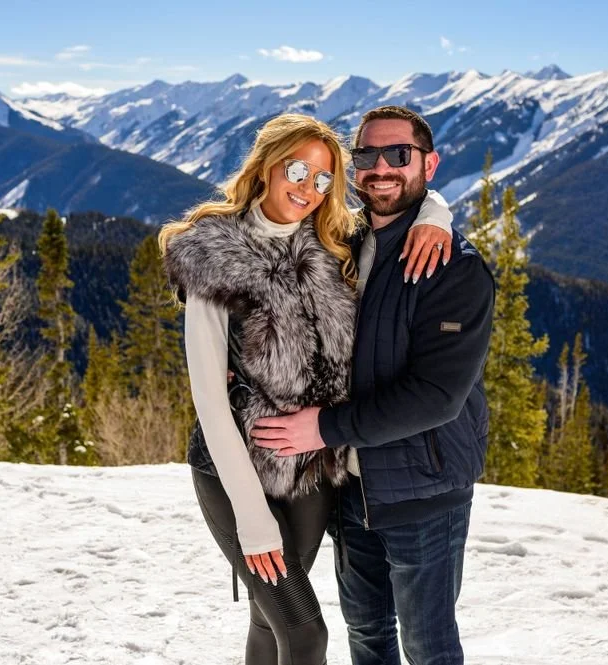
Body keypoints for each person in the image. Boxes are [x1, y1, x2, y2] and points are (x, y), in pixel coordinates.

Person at [159, 113, 453, 665]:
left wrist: (437, 214)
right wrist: (250, 515)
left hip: (314, 470)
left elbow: (406, 206)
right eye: (297, 170)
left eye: (323, 179)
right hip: (235, 470)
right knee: (306, 634)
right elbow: (209, 402)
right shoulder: (213, 253)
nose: (308, 189)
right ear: (268, 166)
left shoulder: (333, 244)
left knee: (268, 623)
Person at [252, 106, 496, 665]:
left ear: (428, 164)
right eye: (366, 155)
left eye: (399, 155)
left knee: (428, 647)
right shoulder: (340, 240)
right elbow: (259, 248)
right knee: (366, 637)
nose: (381, 168)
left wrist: (323, 427)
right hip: (350, 488)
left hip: (424, 491)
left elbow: (437, 396)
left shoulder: (453, 269)